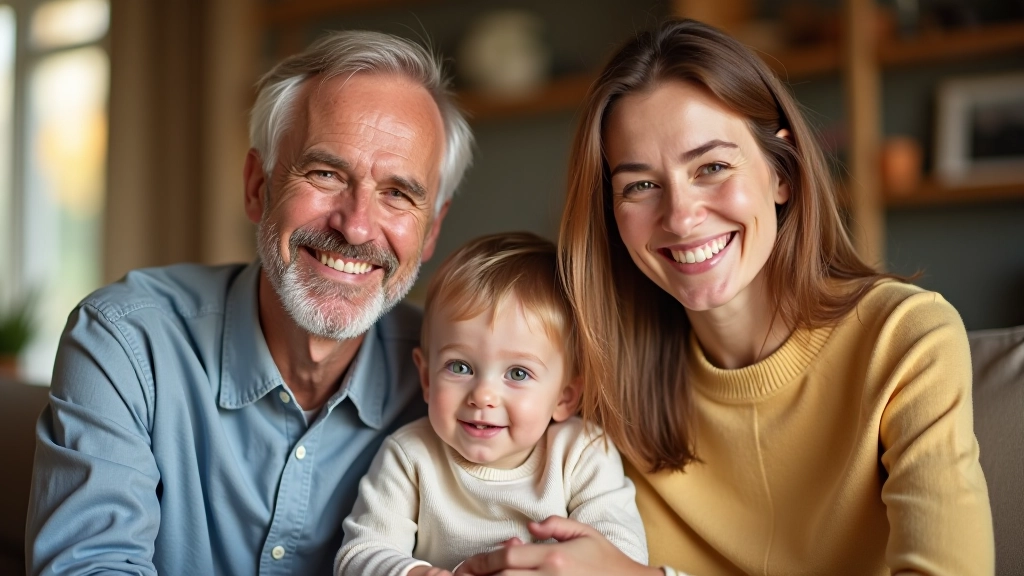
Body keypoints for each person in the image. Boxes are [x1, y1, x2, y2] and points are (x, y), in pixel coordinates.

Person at [457, 19, 994, 576]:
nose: (681, 217)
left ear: (781, 172)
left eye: (712, 167)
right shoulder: (601, 380)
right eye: (640, 185)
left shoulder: (907, 340)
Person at [26, 30, 473, 576]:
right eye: (326, 174)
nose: (356, 228)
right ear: (258, 186)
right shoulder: (125, 342)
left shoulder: (465, 386)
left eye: (398, 194)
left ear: (431, 231)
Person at [334, 232, 648, 576]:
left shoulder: (582, 454)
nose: (483, 395)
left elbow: (622, 556)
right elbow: (359, 556)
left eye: (517, 373)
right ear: (426, 378)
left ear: (565, 397)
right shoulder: (410, 455)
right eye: (460, 367)